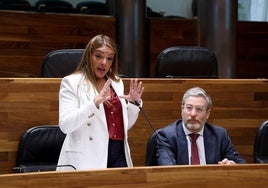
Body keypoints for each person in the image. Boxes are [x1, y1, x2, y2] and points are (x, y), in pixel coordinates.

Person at [56, 34, 144, 171]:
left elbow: (123, 127)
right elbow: (66, 125)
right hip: (87, 156)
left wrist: (133, 104)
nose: (104, 62)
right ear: (88, 57)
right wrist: (94, 104)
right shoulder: (71, 82)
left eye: (109, 58)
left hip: (118, 152)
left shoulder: (116, 82)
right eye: (98, 56)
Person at [156, 87, 246, 165]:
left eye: (199, 109)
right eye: (189, 108)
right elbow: (168, 170)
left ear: (207, 113)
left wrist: (232, 165)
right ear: (182, 110)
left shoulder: (219, 135)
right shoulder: (167, 136)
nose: (193, 114)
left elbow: (241, 164)